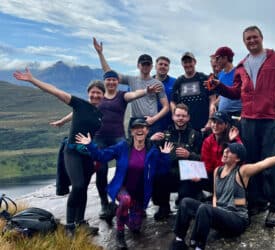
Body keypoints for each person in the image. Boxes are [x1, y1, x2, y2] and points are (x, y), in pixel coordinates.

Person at [208, 25, 275, 227]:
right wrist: (219, 87)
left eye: (254, 37)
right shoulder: (242, 66)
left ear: (261, 38)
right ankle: (255, 203)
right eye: (248, 39)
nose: (251, 41)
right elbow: (236, 92)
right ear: (244, 42)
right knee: (248, 164)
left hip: (269, 120)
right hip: (247, 120)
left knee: (272, 166)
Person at [51, 70, 162, 219]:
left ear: (117, 82)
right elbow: (78, 112)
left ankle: (132, 200)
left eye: (114, 80)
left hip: (118, 137)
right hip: (99, 138)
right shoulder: (98, 98)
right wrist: (62, 121)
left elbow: (134, 94)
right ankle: (105, 203)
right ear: (105, 82)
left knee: (130, 164)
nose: (111, 82)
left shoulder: (122, 96)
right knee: (101, 170)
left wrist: (146, 90)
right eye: (108, 80)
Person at [13, 68, 105, 236]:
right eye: (93, 92)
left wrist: (63, 121)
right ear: (88, 93)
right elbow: (56, 92)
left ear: (103, 96)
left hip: (87, 155)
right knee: (77, 186)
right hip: (72, 152)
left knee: (83, 188)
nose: (96, 96)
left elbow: (80, 116)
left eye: (99, 93)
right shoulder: (79, 103)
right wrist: (32, 80)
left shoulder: (99, 113)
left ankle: (81, 222)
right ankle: (70, 226)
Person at [170, 142, 275, 250]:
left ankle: (198, 246)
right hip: (220, 215)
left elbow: (263, 163)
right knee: (186, 202)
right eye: (225, 149)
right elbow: (216, 196)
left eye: (230, 151)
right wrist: (215, 210)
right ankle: (179, 240)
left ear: (238, 158)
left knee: (205, 209)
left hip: (236, 220)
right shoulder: (218, 170)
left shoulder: (243, 171)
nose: (225, 152)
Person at [75, 118, 173, 249]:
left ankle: (117, 210)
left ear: (147, 130)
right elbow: (102, 156)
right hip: (122, 188)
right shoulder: (123, 147)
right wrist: (90, 144)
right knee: (125, 200)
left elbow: (161, 172)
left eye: (142, 127)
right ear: (131, 131)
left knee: (135, 228)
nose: (139, 129)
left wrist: (165, 156)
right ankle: (119, 235)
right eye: (136, 127)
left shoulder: (153, 151)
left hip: (139, 193)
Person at [93, 37, 169, 136]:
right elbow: (109, 73)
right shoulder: (131, 79)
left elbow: (166, 107)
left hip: (152, 120)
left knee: (152, 149)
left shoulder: (157, 84)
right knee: (133, 149)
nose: (145, 67)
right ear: (138, 65)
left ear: (151, 66)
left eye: (148, 64)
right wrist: (100, 54)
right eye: (143, 64)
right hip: (135, 120)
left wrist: (154, 119)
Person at [150, 103, 203, 220]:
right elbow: (150, 155)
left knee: (186, 199)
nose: (180, 118)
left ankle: (189, 200)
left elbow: (203, 159)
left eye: (183, 116)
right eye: (178, 115)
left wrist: (190, 155)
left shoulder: (197, 135)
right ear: (173, 117)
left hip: (187, 173)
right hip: (169, 172)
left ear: (188, 117)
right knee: (156, 175)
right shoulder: (164, 135)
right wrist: (151, 140)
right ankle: (164, 206)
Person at [171, 52, 216, 132]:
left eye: (190, 62)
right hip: (184, 127)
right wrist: (176, 118)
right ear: (182, 64)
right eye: (185, 62)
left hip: (204, 126)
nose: (188, 64)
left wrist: (210, 121)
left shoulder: (204, 78)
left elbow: (212, 99)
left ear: (195, 62)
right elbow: (172, 102)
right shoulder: (178, 81)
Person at [201, 111, 241, 193]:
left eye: (219, 123)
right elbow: (206, 164)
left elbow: (236, 162)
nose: (215, 126)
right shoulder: (207, 141)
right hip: (213, 176)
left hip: (230, 177)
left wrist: (231, 142)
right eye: (214, 122)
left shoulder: (234, 140)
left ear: (226, 125)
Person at [153, 56, 176, 131]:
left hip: (170, 123)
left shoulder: (175, 82)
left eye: (166, 65)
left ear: (168, 68)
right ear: (155, 66)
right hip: (152, 123)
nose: (163, 66)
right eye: (161, 64)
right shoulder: (147, 82)